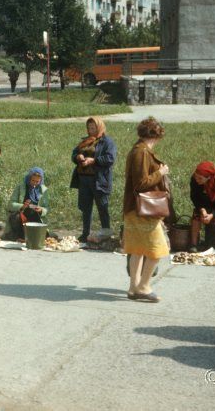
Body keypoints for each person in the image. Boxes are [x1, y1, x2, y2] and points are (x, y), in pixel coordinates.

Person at [123, 117, 169, 303]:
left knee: (137, 249)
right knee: (158, 249)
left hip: (133, 208)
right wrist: (161, 172)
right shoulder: (142, 152)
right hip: (143, 210)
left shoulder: (137, 150)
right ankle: (143, 287)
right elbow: (141, 184)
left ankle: (134, 287)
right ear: (155, 136)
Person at [70, 116, 117, 243]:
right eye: (89, 128)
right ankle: (86, 233)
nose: (91, 130)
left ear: (100, 127)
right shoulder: (84, 141)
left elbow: (110, 158)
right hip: (83, 179)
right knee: (86, 208)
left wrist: (94, 161)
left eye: (94, 127)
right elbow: (73, 154)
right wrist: (78, 157)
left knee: (102, 207)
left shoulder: (107, 142)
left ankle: (106, 234)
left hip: (99, 180)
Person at [3, 167, 49, 241]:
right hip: (22, 215)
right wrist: (23, 206)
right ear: (29, 178)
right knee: (16, 217)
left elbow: (46, 208)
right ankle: (18, 236)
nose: (34, 183)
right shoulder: (20, 187)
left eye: (37, 181)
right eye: (33, 180)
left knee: (43, 238)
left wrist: (41, 210)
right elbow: (10, 204)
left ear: (40, 181)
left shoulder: (43, 190)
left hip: (35, 216)